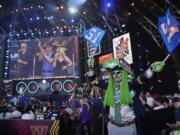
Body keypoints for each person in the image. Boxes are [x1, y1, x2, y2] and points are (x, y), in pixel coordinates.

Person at [102, 58, 165, 135]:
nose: (116, 75)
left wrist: (151, 70)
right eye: (113, 73)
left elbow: (141, 79)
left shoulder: (129, 85)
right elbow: (95, 81)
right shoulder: (110, 87)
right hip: (113, 127)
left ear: (124, 73)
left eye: (118, 72)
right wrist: (91, 72)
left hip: (128, 128)